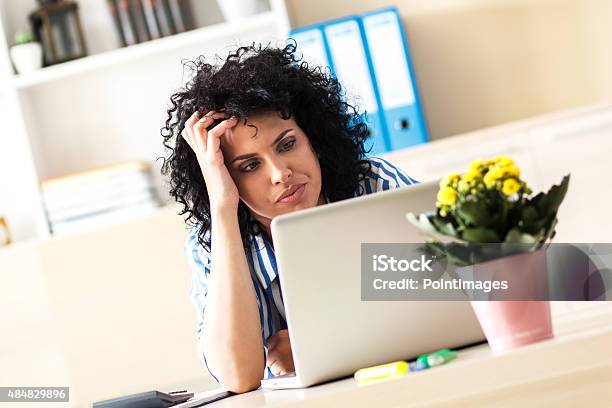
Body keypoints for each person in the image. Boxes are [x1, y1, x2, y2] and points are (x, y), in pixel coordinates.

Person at [160, 42, 418, 393]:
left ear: (313, 137)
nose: (281, 173)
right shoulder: (212, 241)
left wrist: (327, 343)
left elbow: (470, 284)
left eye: (286, 145)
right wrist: (221, 208)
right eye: (249, 166)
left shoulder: (373, 182)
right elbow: (237, 374)